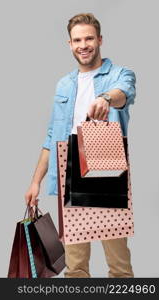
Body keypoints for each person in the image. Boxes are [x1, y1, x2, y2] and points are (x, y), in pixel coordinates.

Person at [25, 13, 136, 278]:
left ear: (100, 40)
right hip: (69, 172)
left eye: (88, 38)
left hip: (106, 171)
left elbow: (123, 93)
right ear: (70, 44)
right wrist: (35, 181)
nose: (83, 45)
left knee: (119, 265)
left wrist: (106, 98)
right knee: (74, 267)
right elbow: (52, 136)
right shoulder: (64, 84)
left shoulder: (120, 74)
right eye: (77, 40)